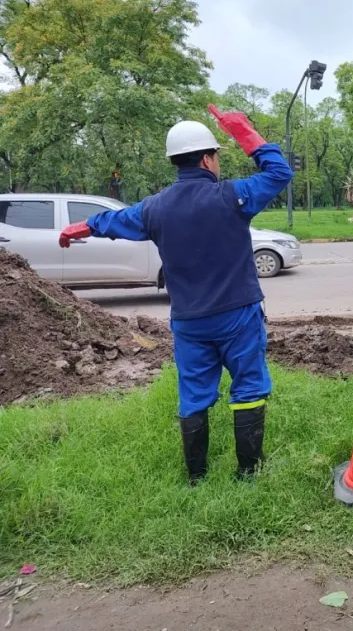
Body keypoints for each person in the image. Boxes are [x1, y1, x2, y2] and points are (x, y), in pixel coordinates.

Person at [58, 106, 294, 485]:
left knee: (195, 395)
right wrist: (245, 132)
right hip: (238, 316)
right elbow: (279, 173)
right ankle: (249, 473)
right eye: (216, 155)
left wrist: (84, 226)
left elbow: (114, 222)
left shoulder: (155, 208)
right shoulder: (233, 196)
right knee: (248, 388)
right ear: (206, 158)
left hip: (188, 322)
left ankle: (197, 478)